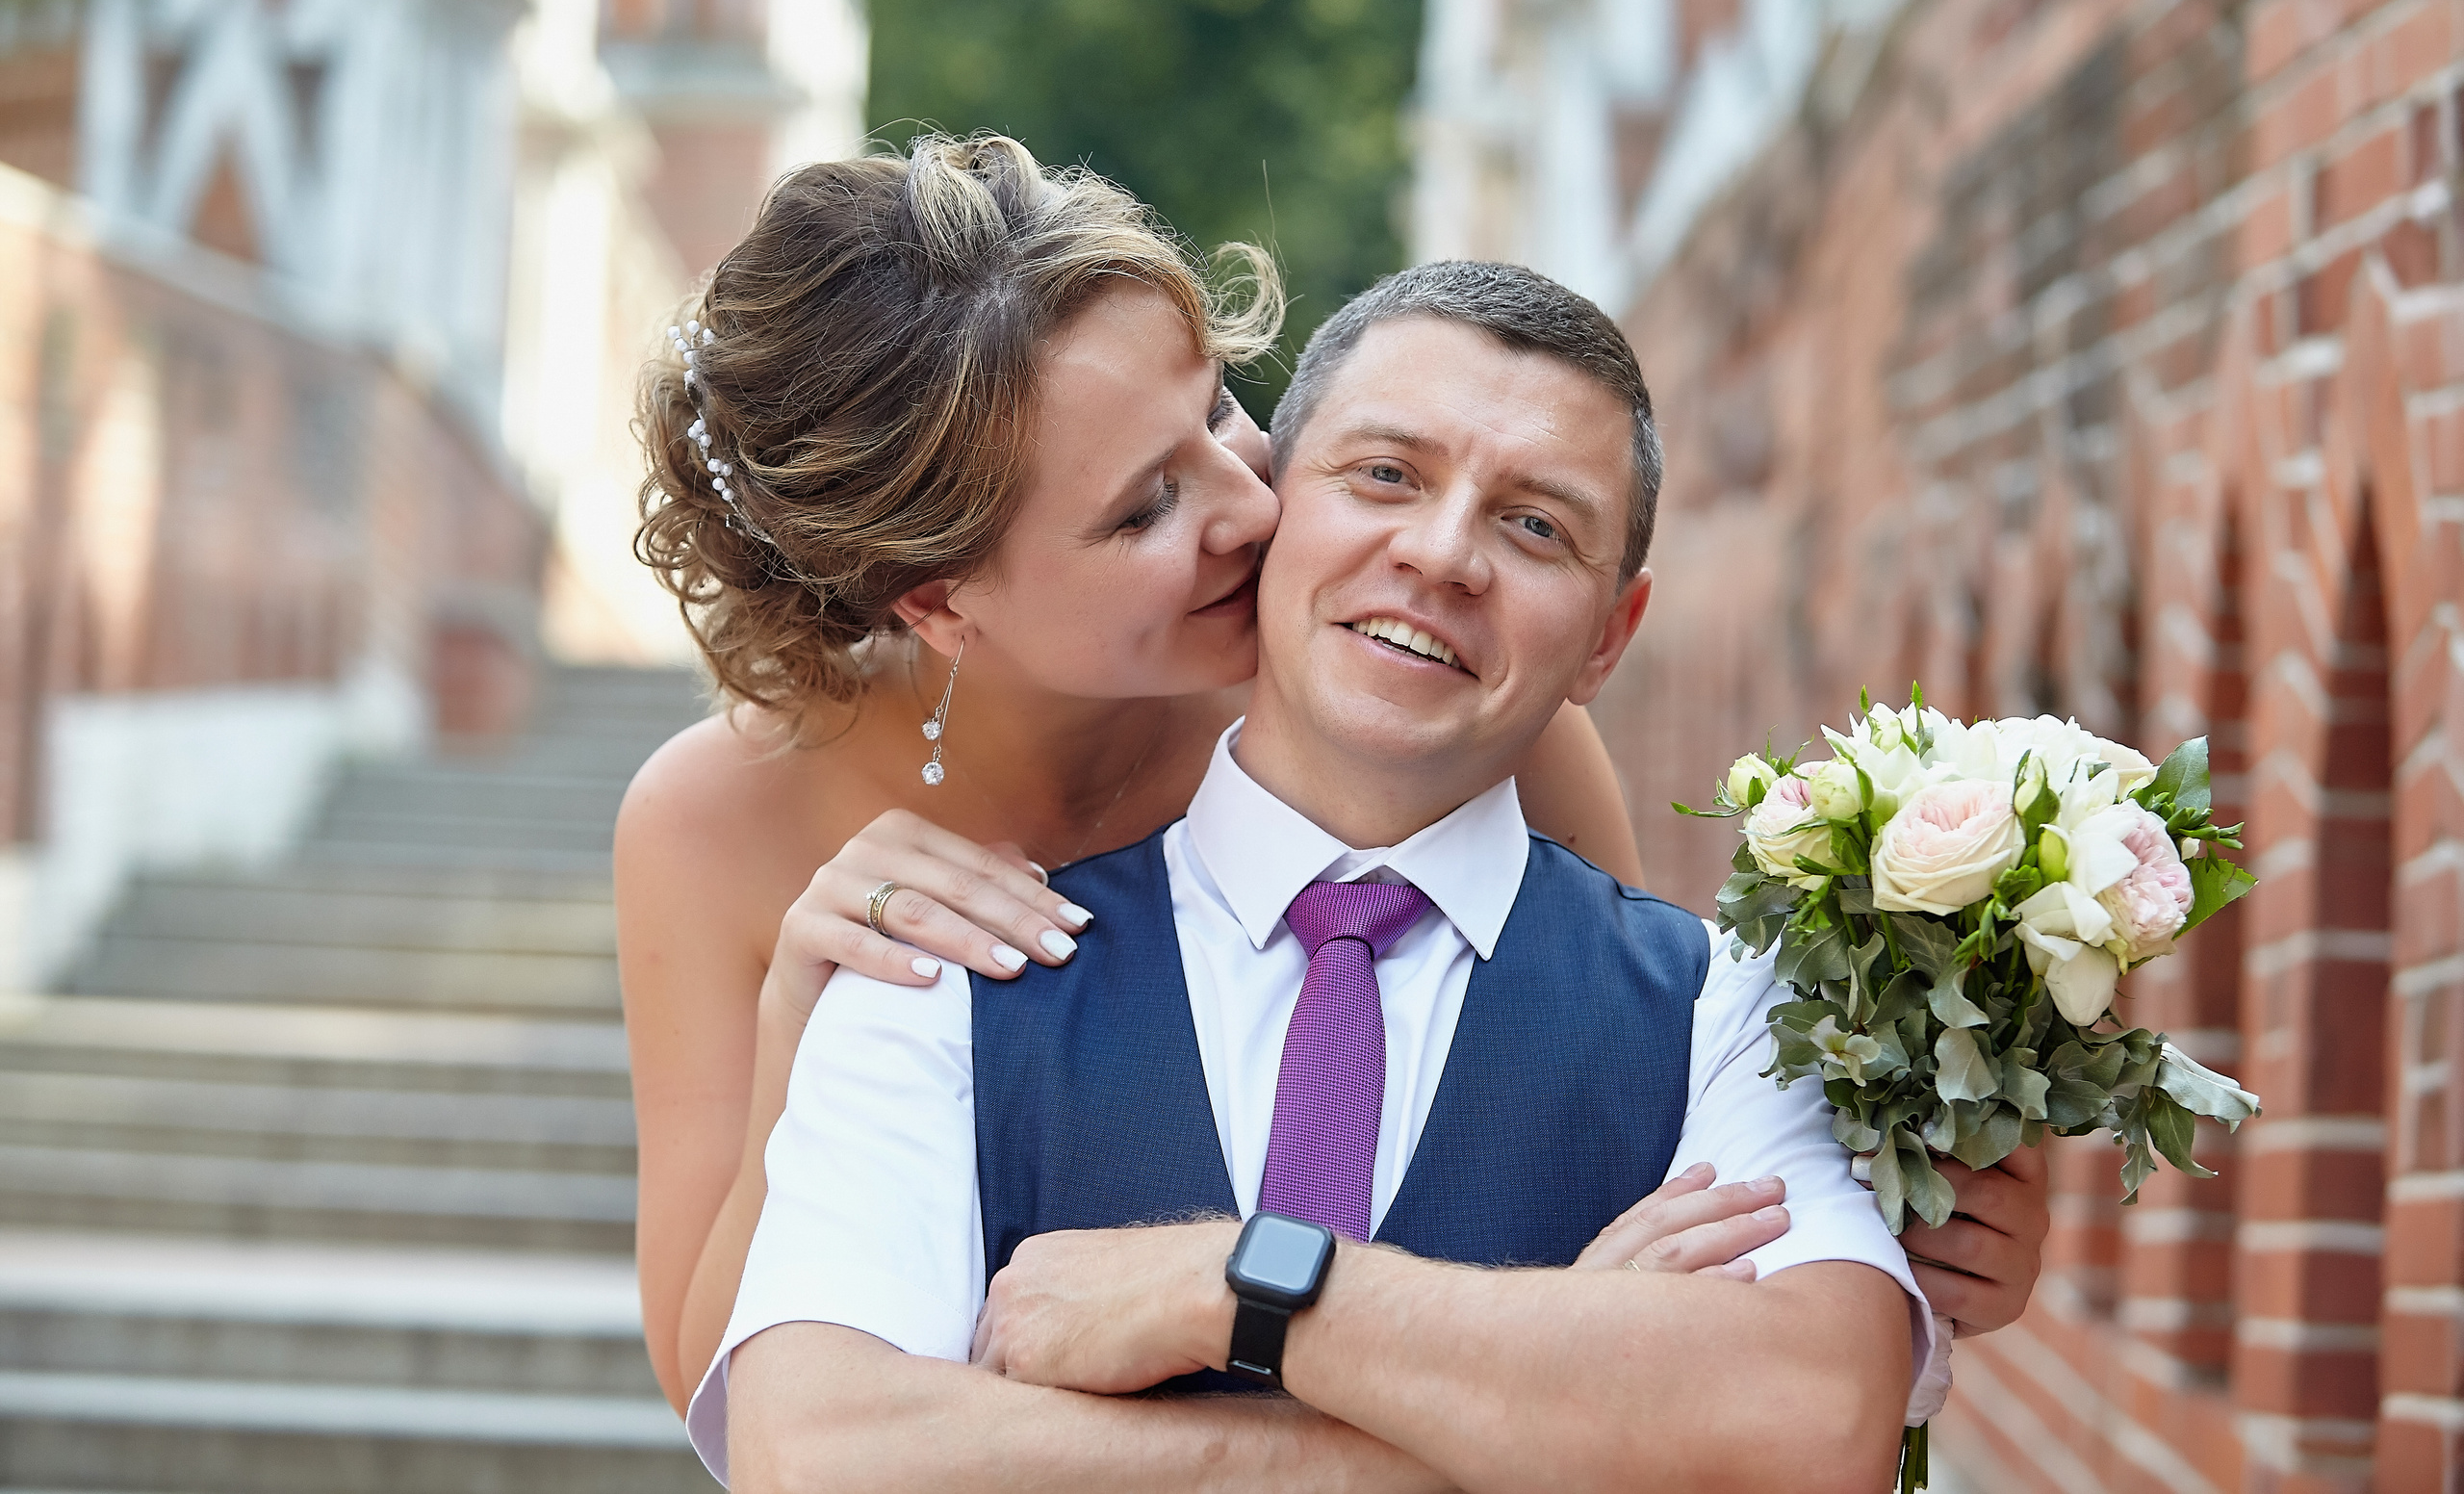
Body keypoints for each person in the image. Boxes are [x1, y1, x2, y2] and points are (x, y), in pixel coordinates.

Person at [616, 136, 2048, 1418]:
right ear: (941, 604)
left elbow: (1582, 1100)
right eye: (1144, 507)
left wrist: (1920, 1239)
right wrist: (798, 1056)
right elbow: (739, 1405)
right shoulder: (717, 826)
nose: (1253, 500)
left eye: (1219, 411)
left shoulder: (1438, 702)